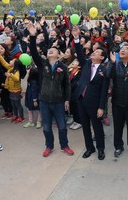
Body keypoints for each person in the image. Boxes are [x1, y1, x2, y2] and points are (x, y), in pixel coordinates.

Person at [27, 23, 73, 157]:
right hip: (44, 101)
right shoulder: (42, 64)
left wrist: (67, 100)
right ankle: (49, 146)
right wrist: (32, 36)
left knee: (62, 126)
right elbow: (33, 51)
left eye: (54, 50)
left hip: (59, 102)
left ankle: (64, 145)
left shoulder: (63, 68)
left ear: (59, 56)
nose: (50, 51)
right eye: (49, 50)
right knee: (46, 127)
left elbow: (67, 85)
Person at [73, 26, 109, 160]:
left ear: (102, 57)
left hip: (94, 104)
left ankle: (100, 149)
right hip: (81, 101)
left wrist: (101, 107)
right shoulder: (86, 63)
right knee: (85, 127)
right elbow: (79, 53)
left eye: (97, 52)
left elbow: (104, 90)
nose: (94, 53)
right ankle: (89, 148)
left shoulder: (104, 70)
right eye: (94, 51)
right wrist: (76, 39)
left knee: (97, 127)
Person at [107, 42, 128, 158]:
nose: (122, 50)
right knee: (118, 126)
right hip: (117, 102)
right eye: (122, 49)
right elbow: (108, 75)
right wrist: (112, 63)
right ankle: (118, 146)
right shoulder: (115, 65)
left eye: (126, 49)